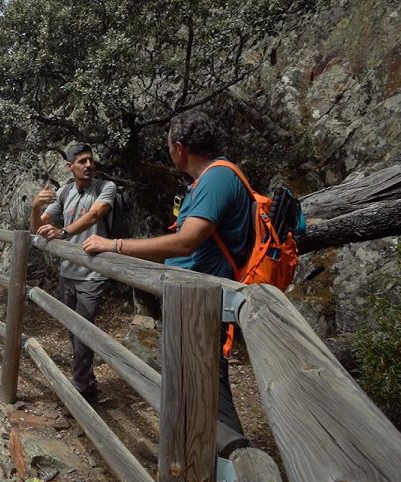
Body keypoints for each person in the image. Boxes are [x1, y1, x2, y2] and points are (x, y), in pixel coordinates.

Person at [82, 111, 247, 434]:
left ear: (180, 148)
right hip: (190, 300)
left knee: (211, 392)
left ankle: (232, 460)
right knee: (194, 388)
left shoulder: (217, 178)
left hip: (201, 303)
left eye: (170, 146)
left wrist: (114, 245)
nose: (169, 152)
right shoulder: (208, 180)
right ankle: (199, 452)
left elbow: (186, 242)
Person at [31, 142, 117, 403]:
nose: (89, 165)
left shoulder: (105, 187)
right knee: (73, 329)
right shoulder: (65, 192)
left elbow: (95, 214)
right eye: (82, 161)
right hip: (67, 272)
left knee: (82, 331)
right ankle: (87, 384)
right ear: (70, 167)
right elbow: (38, 228)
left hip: (93, 274)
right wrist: (35, 208)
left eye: (90, 160)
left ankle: (80, 392)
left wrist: (64, 231)